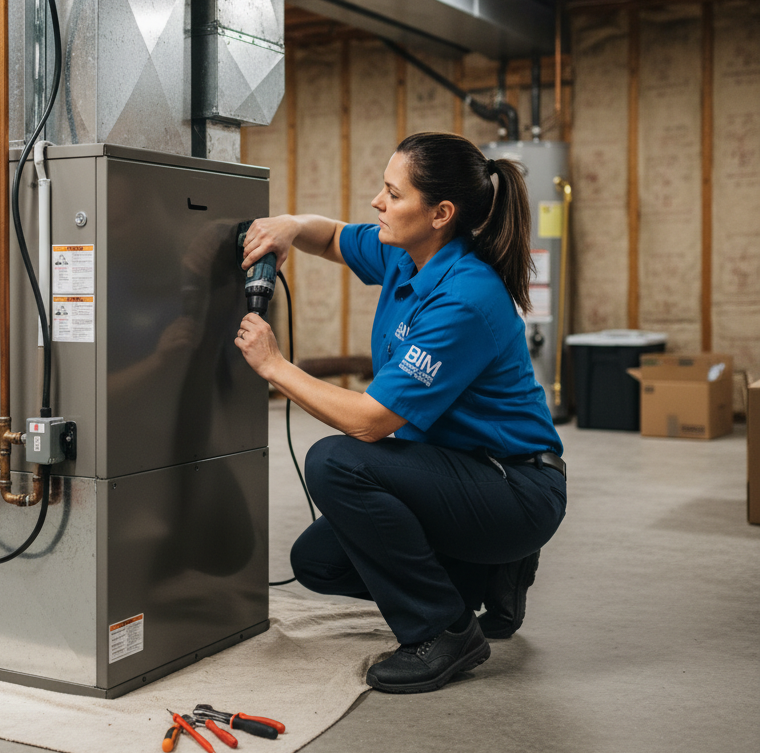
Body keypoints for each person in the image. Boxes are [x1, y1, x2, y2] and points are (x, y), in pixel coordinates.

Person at [235, 132, 566, 694]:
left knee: (338, 462)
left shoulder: (463, 295)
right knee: (319, 562)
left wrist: (274, 367)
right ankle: (484, 574)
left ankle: (445, 630)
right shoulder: (405, 253)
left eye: (392, 193)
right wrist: (289, 224)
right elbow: (333, 238)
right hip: (456, 469)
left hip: (516, 486)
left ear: (441, 213)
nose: (376, 202)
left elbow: (368, 421)